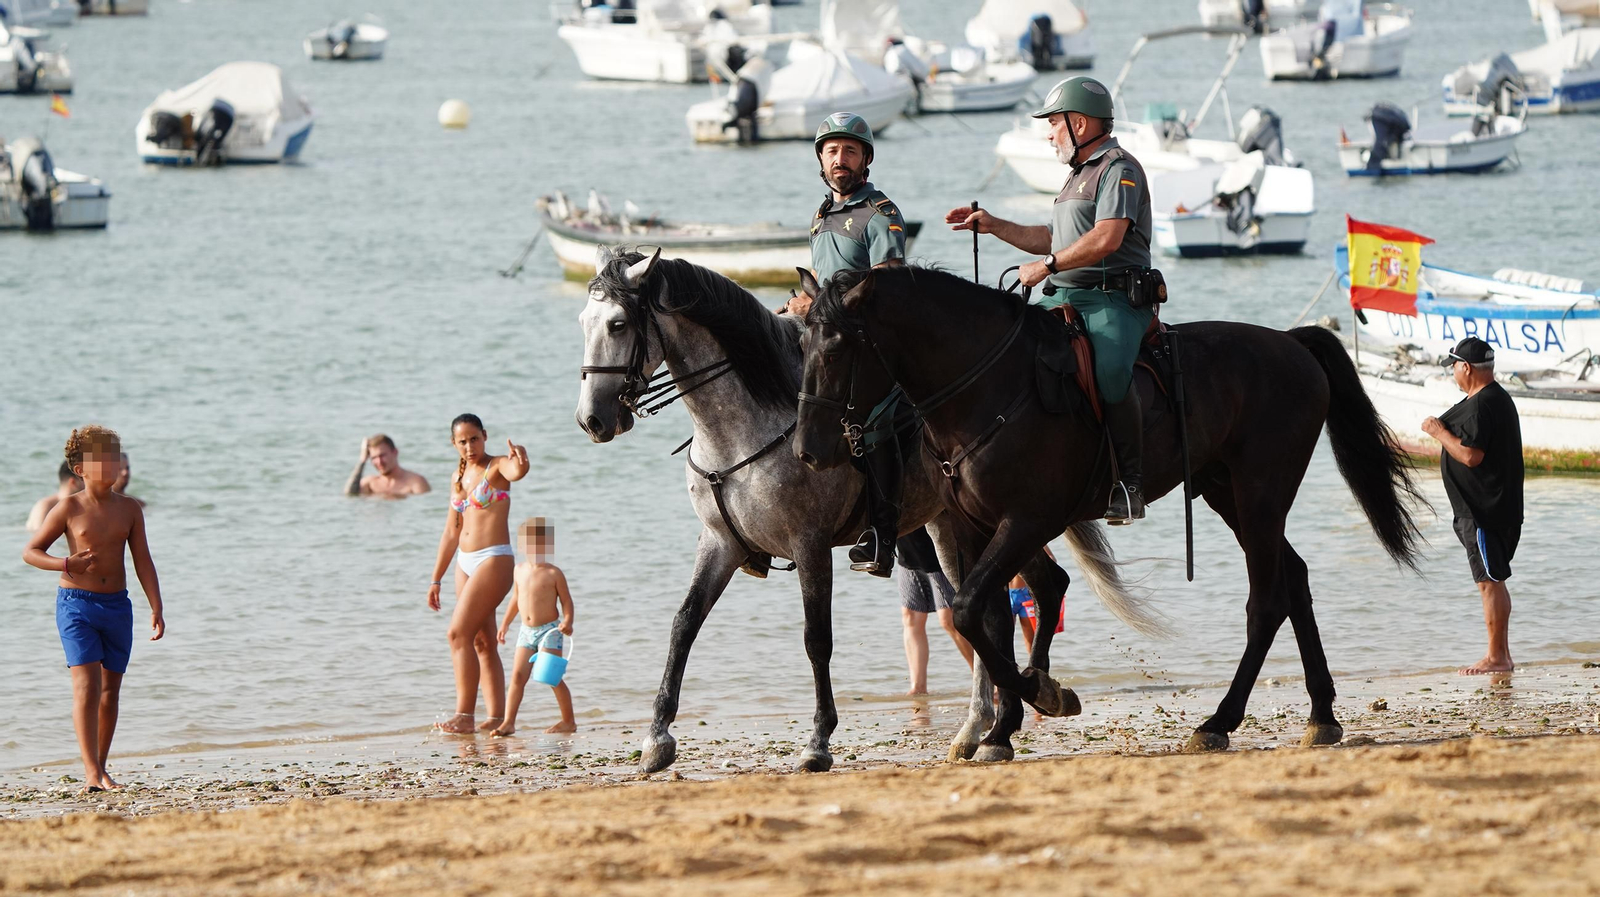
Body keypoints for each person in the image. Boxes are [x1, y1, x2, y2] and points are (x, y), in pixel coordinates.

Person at [947, 75, 1155, 525]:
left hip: (1112, 300)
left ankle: (1131, 483)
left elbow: (1106, 237)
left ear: (1080, 123)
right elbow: (1052, 237)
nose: (1049, 132)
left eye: (1055, 123)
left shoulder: (1119, 168)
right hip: (1065, 296)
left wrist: (1048, 266)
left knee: (1111, 372)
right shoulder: (1077, 176)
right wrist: (995, 225)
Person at [785, 111, 910, 576]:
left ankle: (881, 535)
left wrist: (819, 308)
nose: (841, 159)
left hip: (868, 342)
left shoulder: (880, 213)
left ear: (866, 160)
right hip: (825, 336)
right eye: (832, 151)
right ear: (821, 159)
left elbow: (888, 282)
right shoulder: (821, 216)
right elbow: (820, 278)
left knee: (876, 421)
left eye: (850, 151)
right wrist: (799, 303)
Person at [22, 426, 165, 794]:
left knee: (109, 692)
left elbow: (143, 561)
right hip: (76, 606)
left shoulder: (130, 509)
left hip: (118, 607)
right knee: (86, 686)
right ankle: (90, 773)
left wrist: (156, 605)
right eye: (101, 457)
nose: (112, 462)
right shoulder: (69, 508)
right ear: (79, 469)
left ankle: (102, 768)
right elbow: (31, 551)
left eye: (115, 455)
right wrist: (66, 564)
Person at [1421, 337, 1524, 676]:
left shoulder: (1483, 405)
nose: (1452, 373)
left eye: (1452, 367)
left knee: (1489, 582)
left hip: (1484, 510)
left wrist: (1439, 432)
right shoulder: (1496, 398)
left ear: (1465, 367)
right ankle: (1502, 655)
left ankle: (1497, 657)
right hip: (1494, 507)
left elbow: (1470, 455)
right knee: (1494, 578)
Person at [426, 414, 530, 734]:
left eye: (474, 439)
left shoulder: (497, 466)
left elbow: (517, 472)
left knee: (457, 634)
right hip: (464, 563)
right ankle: (497, 718)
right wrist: (436, 578)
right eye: (462, 441)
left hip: (493, 560)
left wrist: (521, 460)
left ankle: (464, 716)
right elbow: (449, 532)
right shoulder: (457, 479)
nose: (469, 446)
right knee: (482, 642)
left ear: (484, 436)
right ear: (453, 444)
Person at [493, 518, 577, 735]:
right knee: (517, 677)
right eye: (529, 543)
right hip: (526, 631)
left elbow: (566, 601)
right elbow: (515, 599)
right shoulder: (519, 570)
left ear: (548, 544)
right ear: (521, 545)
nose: (534, 548)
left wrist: (568, 621)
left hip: (549, 631)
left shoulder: (553, 573)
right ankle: (508, 722)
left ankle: (569, 721)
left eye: (540, 543)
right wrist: (504, 624)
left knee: (550, 676)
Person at [897, 529, 972, 695]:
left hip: (940, 556)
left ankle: (984, 679)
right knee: (911, 617)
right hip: (908, 555)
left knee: (949, 620)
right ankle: (918, 688)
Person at [345, 434, 431, 497]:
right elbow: (350, 496)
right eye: (374, 458)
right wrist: (362, 461)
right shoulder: (369, 484)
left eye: (382, 456)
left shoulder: (415, 482)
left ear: (395, 452)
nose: (379, 462)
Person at [26, 461, 83, 532]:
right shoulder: (45, 506)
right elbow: (40, 538)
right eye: (84, 480)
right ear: (73, 482)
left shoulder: (76, 506)